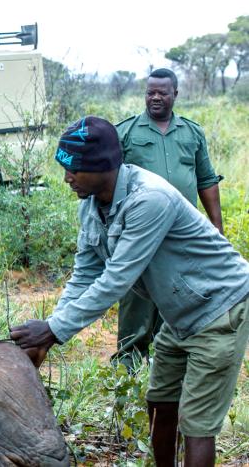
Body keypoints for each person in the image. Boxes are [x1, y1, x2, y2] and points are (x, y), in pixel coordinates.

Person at [10, 116, 249, 467]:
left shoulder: (150, 199)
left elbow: (116, 280)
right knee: (160, 404)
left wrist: (53, 331)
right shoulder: (91, 207)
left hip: (219, 309)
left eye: (74, 169)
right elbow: (85, 275)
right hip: (180, 315)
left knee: (197, 424)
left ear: (103, 166)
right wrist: (50, 327)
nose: (66, 178)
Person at [114, 68, 223, 367]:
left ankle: (168, 361)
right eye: (151, 92)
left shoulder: (192, 132)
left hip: (182, 234)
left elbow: (206, 180)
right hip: (140, 231)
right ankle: (128, 365)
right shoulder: (126, 132)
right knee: (136, 298)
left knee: (179, 294)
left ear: (175, 93)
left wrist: (216, 228)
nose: (156, 97)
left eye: (163, 92)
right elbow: (110, 183)